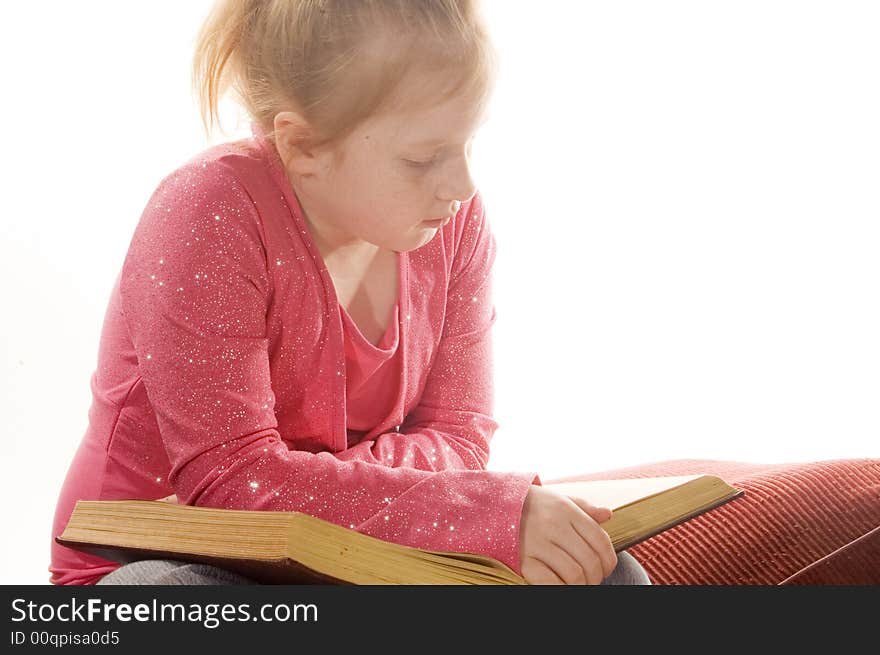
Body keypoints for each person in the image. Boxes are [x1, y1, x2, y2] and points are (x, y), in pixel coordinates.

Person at [50, 0, 650, 587]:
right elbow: (233, 486)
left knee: (608, 573)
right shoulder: (207, 214)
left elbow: (462, 436)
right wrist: (468, 511)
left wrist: (431, 508)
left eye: (468, 144)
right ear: (303, 145)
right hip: (174, 559)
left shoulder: (453, 221)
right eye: (423, 157)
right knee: (165, 596)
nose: (462, 183)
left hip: (357, 548)